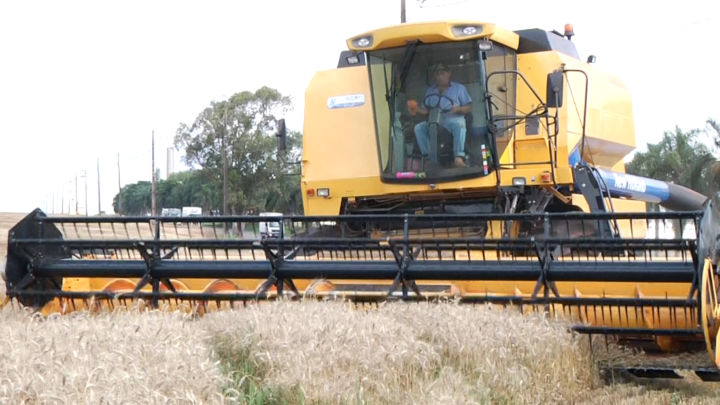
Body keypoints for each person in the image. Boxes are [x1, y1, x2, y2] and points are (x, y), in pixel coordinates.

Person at [409, 63, 472, 168]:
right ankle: (429, 158)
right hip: (434, 122)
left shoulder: (459, 89)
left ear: (448, 74)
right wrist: (416, 109)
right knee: (419, 128)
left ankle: (458, 157)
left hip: (452, 120)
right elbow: (426, 111)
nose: (440, 77)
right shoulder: (430, 91)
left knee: (460, 124)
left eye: (442, 73)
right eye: (437, 74)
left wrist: (459, 108)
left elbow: (469, 107)